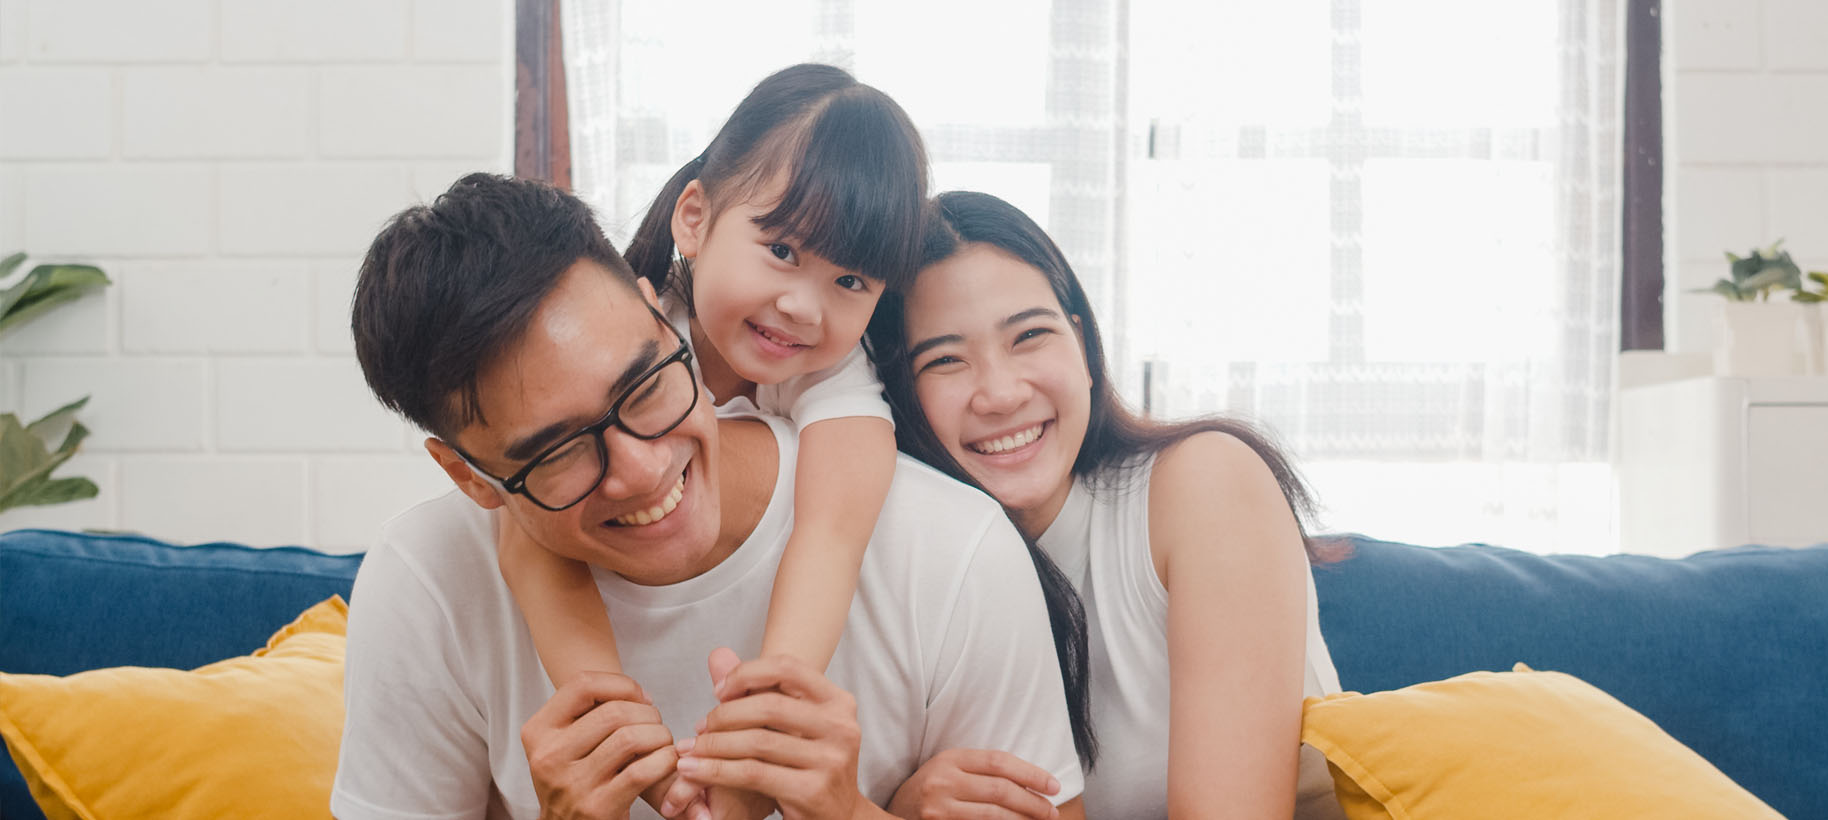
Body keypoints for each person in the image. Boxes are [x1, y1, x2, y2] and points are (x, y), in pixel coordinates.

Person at [333, 173, 1084, 820]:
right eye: (559, 452)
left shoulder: (951, 549)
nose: (641, 468)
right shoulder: (426, 580)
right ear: (470, 477)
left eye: (644, 383)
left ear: (659, 312)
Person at [868, 191, 1345, 820]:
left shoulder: (1204, 485)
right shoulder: (915, 579)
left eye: (1030, 335)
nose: (1002, 393)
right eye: (946, 360)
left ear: (1086, 350)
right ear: (899, 399)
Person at [494, 66, 914, 775]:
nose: (805, 308)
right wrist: (617, 736)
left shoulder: (836, 375)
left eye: (851, 282)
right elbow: (528, 535)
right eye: (782, 251)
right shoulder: (636, 332)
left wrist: (766, 726)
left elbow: (833, 534)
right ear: (694, 217)